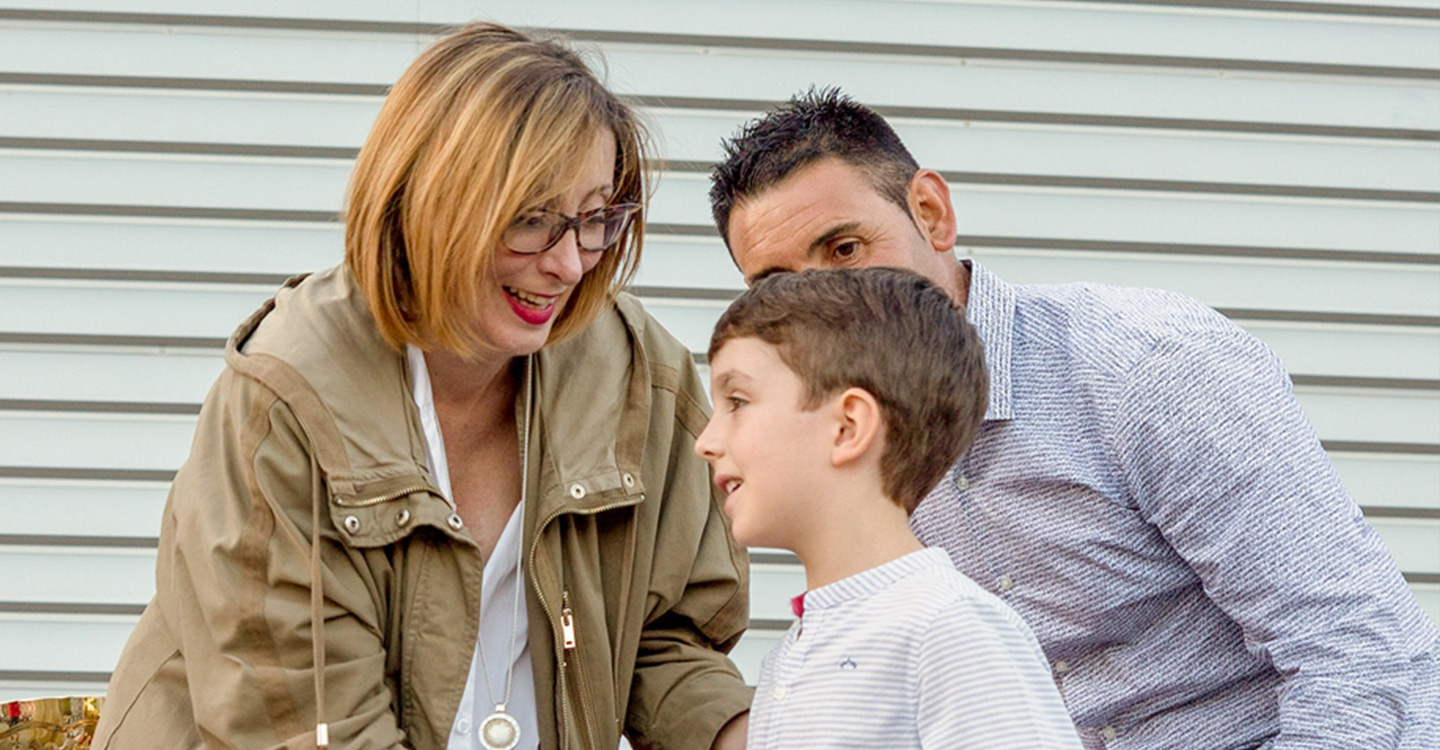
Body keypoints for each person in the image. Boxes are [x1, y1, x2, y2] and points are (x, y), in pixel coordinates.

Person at [707, 88, 1439, 749]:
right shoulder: (836, 451)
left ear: (931, 213)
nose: (826, 303)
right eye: (777, 286)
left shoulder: (1148, 366)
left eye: (844, 249)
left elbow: (1364, 656)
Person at [94, 23, 752, 750]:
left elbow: (665, 644)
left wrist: (748, 732)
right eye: (531, 219)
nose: (569, 263)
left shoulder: (637, 375)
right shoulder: (285, 399)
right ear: (427, 203)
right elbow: (310, 728)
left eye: (594, 219)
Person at [695, 267, 1084, 749]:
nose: (705, 442)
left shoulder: (949, 629)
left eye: (737, 401)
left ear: (848, 427)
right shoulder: (790, 655)